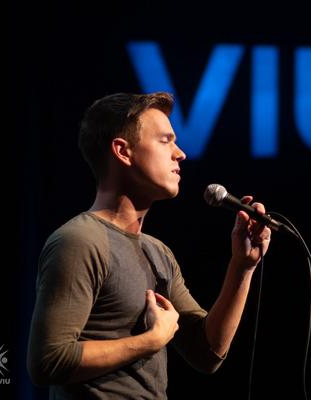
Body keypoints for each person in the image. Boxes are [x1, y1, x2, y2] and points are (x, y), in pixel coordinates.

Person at [27, 92, 271, 399]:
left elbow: (207, 354)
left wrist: (242, 265)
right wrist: (151, 340)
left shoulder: (158, 252)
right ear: (123, 151)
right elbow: (47, 361)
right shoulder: (79, 241)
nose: (180, 153)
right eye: (165, 140)